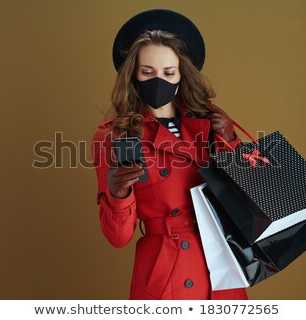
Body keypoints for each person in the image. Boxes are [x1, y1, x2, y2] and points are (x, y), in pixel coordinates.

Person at [92, 9, 248, 300]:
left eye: (168, 72)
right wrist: (117, 193)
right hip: (167, 277)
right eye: (148, 72)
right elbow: (118, 238)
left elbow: (246, 204)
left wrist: (230, 142)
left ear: (181, 75)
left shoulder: (209, 124)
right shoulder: (116, 136)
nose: (159, 81)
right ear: (134, 76)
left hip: (222, 269)